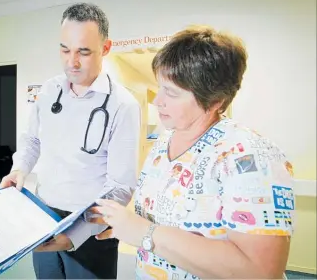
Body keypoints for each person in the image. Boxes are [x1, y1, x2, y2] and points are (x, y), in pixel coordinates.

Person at [92, 25, 295, 279]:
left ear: (214, 101)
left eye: (172, 93)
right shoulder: (163, 143)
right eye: (160, 87)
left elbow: (260, 271)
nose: (157, 102)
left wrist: (145, 233)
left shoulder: (251, 155)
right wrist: (122, 224)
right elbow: (164, 221)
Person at [0, 3, 141, 279]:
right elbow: (32, 140)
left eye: (83, 52)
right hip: (44, 215)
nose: (71, 62)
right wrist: (19, 169)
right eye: (65, 50)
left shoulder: (123, 104)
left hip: (91, 223)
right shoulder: (50, 89)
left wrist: (77, 233)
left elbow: (122, 186)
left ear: (106, 48)